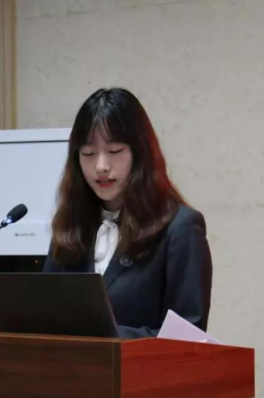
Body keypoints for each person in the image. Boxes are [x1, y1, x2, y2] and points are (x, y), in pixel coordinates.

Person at [43, 88, 212, 339]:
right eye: (88, 153)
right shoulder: (71, 226)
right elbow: (47, 319)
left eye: (114, 151)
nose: (101, 166)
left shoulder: (180, 228)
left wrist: (101, 336)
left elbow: (188, 337)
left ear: (140, 153)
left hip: (143, 366)